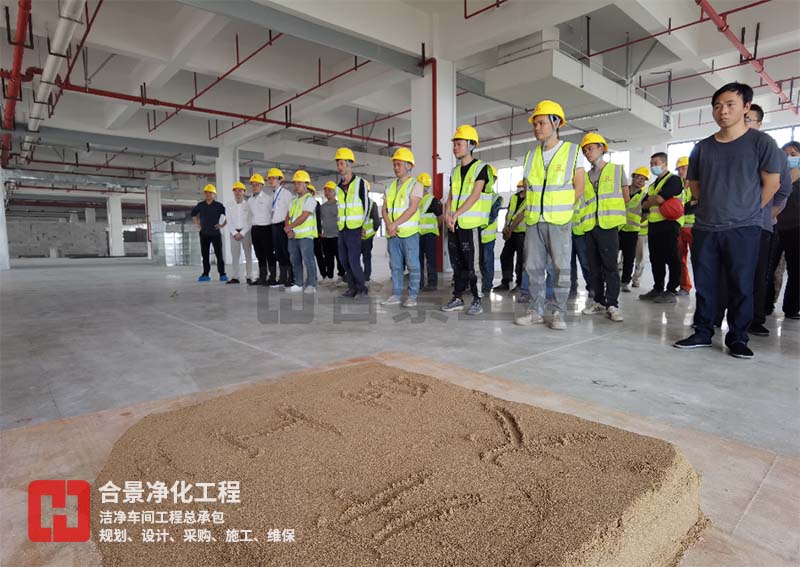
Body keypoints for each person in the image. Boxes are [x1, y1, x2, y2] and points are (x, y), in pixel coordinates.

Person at [674, 82, 784, 359]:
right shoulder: (703, 147)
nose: (722, 111)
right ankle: (702, 332)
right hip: (706, 227)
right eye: (717, 106)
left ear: (746, 107)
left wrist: (748, 209)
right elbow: (695, 184)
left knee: (741, 285)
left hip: (744, 228)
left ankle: (738, 337)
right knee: (705, 284)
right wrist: (712, 205)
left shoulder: (761, 143)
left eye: (730, 105)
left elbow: (772, 183)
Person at [714, 104, 791, 336]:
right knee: (721, 271)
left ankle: (754, 320)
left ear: (759, 123)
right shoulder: (724, 149)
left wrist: (766, 213)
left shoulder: (772, 152)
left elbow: (782, 190)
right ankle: (714, 315)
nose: (743, 122)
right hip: (723, 223)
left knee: (754, 273)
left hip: (757, 225)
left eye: (748, 119)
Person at [512, 100, 584, 330]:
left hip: (559, 221)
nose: (537, 128)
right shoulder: (530, 156)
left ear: (556, 123)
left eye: (541, 123)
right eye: (535, 124)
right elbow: (529, 190)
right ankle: (535, 311)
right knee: (533, 268)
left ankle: (559, 312)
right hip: (534, 221)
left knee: (561, 269)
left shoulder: (572, 151)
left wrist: (562, 211)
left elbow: (579, 187)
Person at [441, 125, 494, 316]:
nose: (455, 148)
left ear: (471, 145)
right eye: (454, 144)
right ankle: (458, 298)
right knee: (457, 264)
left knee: (473, 265)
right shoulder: (455, 171)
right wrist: (447, 214)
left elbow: (475, 195)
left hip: (470, 225)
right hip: (454, 225)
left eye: (459, 144)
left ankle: (477, 299)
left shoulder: (481, 168)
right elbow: (451, 196)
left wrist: (456, 214)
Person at [578, 133, 630, 322]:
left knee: (610, 266)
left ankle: (612, 304)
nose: (587, 152)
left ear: (602, 148)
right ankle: (599, 301)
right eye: (585, 150)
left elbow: (626, 197)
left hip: (608, 225)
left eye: (590, 148)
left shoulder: (616, 170)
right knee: (593, 267)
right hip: (590, 226)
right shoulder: (585, 176)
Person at [638, 151, 685, 304]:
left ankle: (671, 290)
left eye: (656, 163)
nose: (653, 166)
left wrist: (654, 200)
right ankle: (657, 288)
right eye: (651, 164)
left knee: (672, 258)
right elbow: (644, 204)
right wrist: (654, 200)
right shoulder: (653, 185)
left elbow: (658, 199)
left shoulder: (674, 180)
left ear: (665, 164)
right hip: (654, 225)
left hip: (670, 224)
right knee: (656, 259)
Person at [381, 148, 423, 307]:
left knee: (413, 266)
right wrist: (388, 224)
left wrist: (393, 224)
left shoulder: (416, 185)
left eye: (399, 164)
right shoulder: (389, 186)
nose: (396, 167)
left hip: (409, 234)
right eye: (395, 164)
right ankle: (396, 294)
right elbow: (384, 208)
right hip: (393, 234)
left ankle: (412, 296)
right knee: (395, 266)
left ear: (409, 166)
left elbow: (412, 209)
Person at [768, 142, 800, 319]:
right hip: (774, 226)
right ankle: (765, 306)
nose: (789, 158)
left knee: (796, 270)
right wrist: (789, 179)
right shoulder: (774, 175)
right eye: (785, 154)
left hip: (796, 228)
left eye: (793, 154)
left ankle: (792, 308)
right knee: (769, 268)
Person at [335, 147, 371, 299]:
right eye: (338, 164)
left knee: (353, 260)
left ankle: (362, 288)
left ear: (350, 164)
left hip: (355, 228)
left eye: (342, 163)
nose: (339, 167)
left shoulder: (360, 183)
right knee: (344, 260)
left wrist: (363, 225)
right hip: (342, 229)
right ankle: (352, 288)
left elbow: (366, 205)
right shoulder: (338, 187)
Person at [284, 170, 318, 293]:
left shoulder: (310, 199)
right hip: (293, 236)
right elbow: (287, 216)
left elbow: (304, 216)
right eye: (295, 183)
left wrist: (290, 227)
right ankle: (298, 283)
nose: (296, 186)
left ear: (306, 184)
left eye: (299, 183)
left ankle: (311, 284)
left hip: (306, 236)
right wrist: (288, 229)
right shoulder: (293, 201)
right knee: (295, 260)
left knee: (308, 260)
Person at [619, 167, 649, 292]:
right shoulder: (622, 191)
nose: (640, 181)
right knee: (610, 256)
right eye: (638, 177)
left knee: (629, 258)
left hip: (632, 231)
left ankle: (625, 282)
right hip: (617, 228)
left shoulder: (644, 197)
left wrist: (635, 222)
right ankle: (609, 280)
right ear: (633, 177)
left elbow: (645, 215)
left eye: (643, 179)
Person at [494, 180, 527, 293]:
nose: (520, 188)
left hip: (522, 232)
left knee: (521, 259)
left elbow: (522, 215)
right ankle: (506, 281)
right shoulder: (514, 197)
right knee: (505, 256)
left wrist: (510, 229)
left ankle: (520, 283)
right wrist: (505, 227)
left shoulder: (531, 198)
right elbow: (508, 213)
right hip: (511, 232)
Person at [191, 184, 227, 282]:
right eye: (206, 192)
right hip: (204, 234)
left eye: (210, 193)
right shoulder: (201, 205)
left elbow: (229, 215)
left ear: (214, 194)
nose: (208, 194)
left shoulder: (218, 206)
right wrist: (198, 224)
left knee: (219, 255)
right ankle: (205, 274)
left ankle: (222, 274)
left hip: (215, 234)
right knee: (205, 255)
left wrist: (222, 225)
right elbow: (193, 214)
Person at [247, 173, 275, 286]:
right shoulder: (250, 200)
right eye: (253, 185)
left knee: (269, 254)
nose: (254, 187)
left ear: (262, 185)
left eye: (257, 184)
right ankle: (262, 277)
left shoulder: (268, 198)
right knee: (259, 254)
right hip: (255, 230)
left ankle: (272, 277)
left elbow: (272, 213)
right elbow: (250, 216)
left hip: (266, 229)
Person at [268, 168, 294, 288]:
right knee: (278, 253)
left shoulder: (286, 194)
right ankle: (282, 277)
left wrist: (289, 227)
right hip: (274, 226)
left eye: (273, 178)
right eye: (269, 178)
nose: (271, 180)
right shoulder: (272, 195)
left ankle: (291, 277)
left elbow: (290, 211)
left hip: (283, 225)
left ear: (280, 180)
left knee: (286, 252)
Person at [676, 156, 697, 296]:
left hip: (694, 227)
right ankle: (684, 286)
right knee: (680, 259)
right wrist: (688, 206)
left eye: (683, 168)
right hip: (679, 227)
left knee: (698, 259)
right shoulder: (677, 186)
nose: (680, 171)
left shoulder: (698, 185)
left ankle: (703, 288)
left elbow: (697, 205)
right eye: (678, 169)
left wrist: (683, 208)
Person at [417, 172, 442, 292]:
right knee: (418, 260)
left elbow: (440, 217)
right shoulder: (415, 200)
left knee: (430, 259)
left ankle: (432, 283)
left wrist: (437, 228)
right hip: (418, 233)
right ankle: (419, 283)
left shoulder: (432, 200)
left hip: (429, 234)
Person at [481, 167, 502, 295]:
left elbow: (491, 217)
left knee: (487, 261)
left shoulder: (495, 198)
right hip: (476, 236)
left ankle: (487, 286)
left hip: (487, 237)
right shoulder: (476, 195)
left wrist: (478, 225)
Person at [226, 181, 253, 284]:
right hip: (233, 233)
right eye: (235, 191)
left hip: (246, 232)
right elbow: (229, 220)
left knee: (248, 255)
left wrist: (242, 233)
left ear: (244, 192)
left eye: (240, 190)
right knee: (235, 256)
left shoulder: (248, 205)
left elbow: (250, 220)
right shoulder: (229, 205)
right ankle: (235, 277)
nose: (237, 193)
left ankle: (249, 276)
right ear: (233, 192)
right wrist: (234, 233)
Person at [319, 180, 344, 280]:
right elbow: (320, 220)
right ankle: (329, 276)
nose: (327, 192)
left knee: (340, 257)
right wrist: (320, 232)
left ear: (334, 192)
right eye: (325, 190)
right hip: (326, 236)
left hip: (337, 236)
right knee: (328, 258)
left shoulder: (339, 205)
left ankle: (341, 275)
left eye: (329, 190)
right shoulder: (322, 207)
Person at [361, 194, 381, 282]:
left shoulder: (371, 203)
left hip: (359, 236)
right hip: (367, 237)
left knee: (355, 258)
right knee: (367, 257)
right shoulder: (372, 203)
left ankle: (360, 276)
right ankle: (366, 277)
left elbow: (377, 222)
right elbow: (377, 222)